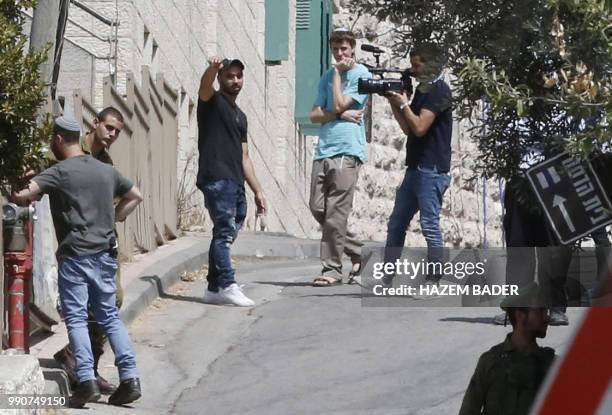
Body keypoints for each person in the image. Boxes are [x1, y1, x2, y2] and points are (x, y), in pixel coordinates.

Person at [12, 114, 143, 407]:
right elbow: (136, 194)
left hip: (76, 258)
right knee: (108, 316)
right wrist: (115, 217)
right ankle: (130, 377)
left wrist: (16, 181)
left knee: (77, 318)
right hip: (106, 255)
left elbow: (23, 196)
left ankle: (85, 381)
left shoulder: (59, 171)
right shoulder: (105, 170)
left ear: (58, 140)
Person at [52, 106, 127, 393]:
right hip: (74, 243)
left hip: (102, 243)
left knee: (112, 300)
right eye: (109, 127)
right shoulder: (68, 147)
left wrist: (111, 219)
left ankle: (86, 364)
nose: (112, 134)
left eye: (118, 132)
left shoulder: (106, 162)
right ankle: (81, 365)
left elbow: (123, 197)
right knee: (80, 307)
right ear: (95, 123)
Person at [381, 43, 452, 288]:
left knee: (429, 225)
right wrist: (394, 102)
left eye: (417, 65)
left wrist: (402, 103)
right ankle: (387, 278)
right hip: (415, 168)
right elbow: (408, 128)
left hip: (432, 169)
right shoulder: (423, 90)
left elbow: (420, 127)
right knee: (397, 223)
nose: (414, 70)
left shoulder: (440, 91)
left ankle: (434, 279)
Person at [197, 57, 267, 306]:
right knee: (225, 233)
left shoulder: (241, 116)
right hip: (216, 178)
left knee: (225, 232)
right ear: (221, 78)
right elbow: (204, 86)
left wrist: (257, 190)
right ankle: (227, 283)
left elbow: (244, 156)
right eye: (230, 76)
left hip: (235, 180)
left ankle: (214, 287)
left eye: (239, 76)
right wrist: (212, 68)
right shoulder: (212, 102)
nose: (235, 80)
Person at [308, 28, 372, 286]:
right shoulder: (327, 76)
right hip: (324, 148)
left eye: (344, 48)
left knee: (336, 213)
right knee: (317, 207)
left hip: (347, 150)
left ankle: (332, 269)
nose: (339, 53)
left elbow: (335, 104)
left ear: (353, 48)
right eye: (335, 49)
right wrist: (339, 114)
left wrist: (337, 77)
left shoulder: (361, 75)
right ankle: (360, 252)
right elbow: (314, 114)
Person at [459, 283, 556, 415]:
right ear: (520, 315)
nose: (546, 318)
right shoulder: (490, 361)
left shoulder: (553, 365)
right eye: (540, 311)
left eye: (547, 312)